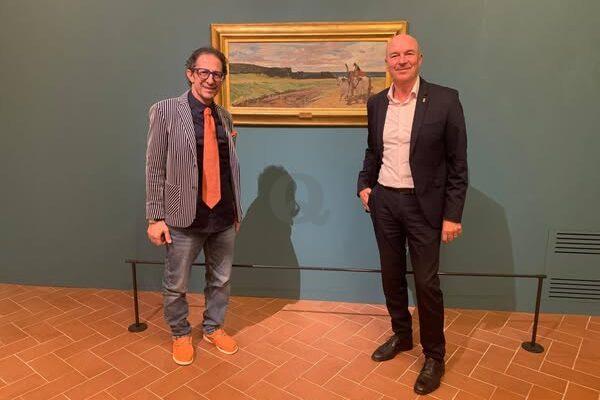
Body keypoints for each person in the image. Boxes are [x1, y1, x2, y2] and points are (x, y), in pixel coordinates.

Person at [357, 34, 468, 395]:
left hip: (425, 207)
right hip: (385, 203)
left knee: (426, 283)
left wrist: (452, 214)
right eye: (394, 55)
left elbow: (458, 163)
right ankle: (402, 335)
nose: (401, 60)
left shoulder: (445, 100)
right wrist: (364, 184)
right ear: (387, 62)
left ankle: (434, 355)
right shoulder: (376, 103)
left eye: (408, 54)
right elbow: (373, 151)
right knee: (391, 275)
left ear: (420, 58)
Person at [145, 47, 242, 366]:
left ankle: (213, 328)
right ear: (190, 74)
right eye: (204, 72)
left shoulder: (224, 116)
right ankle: (180, 333)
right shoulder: (165, 111)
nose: (210, 80)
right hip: (183, 217)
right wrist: (155, 217)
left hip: (223, 216)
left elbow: (226, 165)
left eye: (217, 74)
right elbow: (155, 167)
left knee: (221, 280)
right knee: (176, 284)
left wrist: (236, 211)